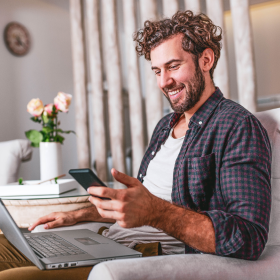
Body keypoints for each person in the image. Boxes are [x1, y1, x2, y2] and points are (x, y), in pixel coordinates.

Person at [0, 10, 271, 280]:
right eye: (157, 70)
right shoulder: (165, 126)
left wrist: (155, 212)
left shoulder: (237, 126)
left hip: (139, 257)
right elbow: (136, 205)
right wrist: (77, 216)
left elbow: (248, 237)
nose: (164, 82)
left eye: (173, 66)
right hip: (106, 243)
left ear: (206, 59)